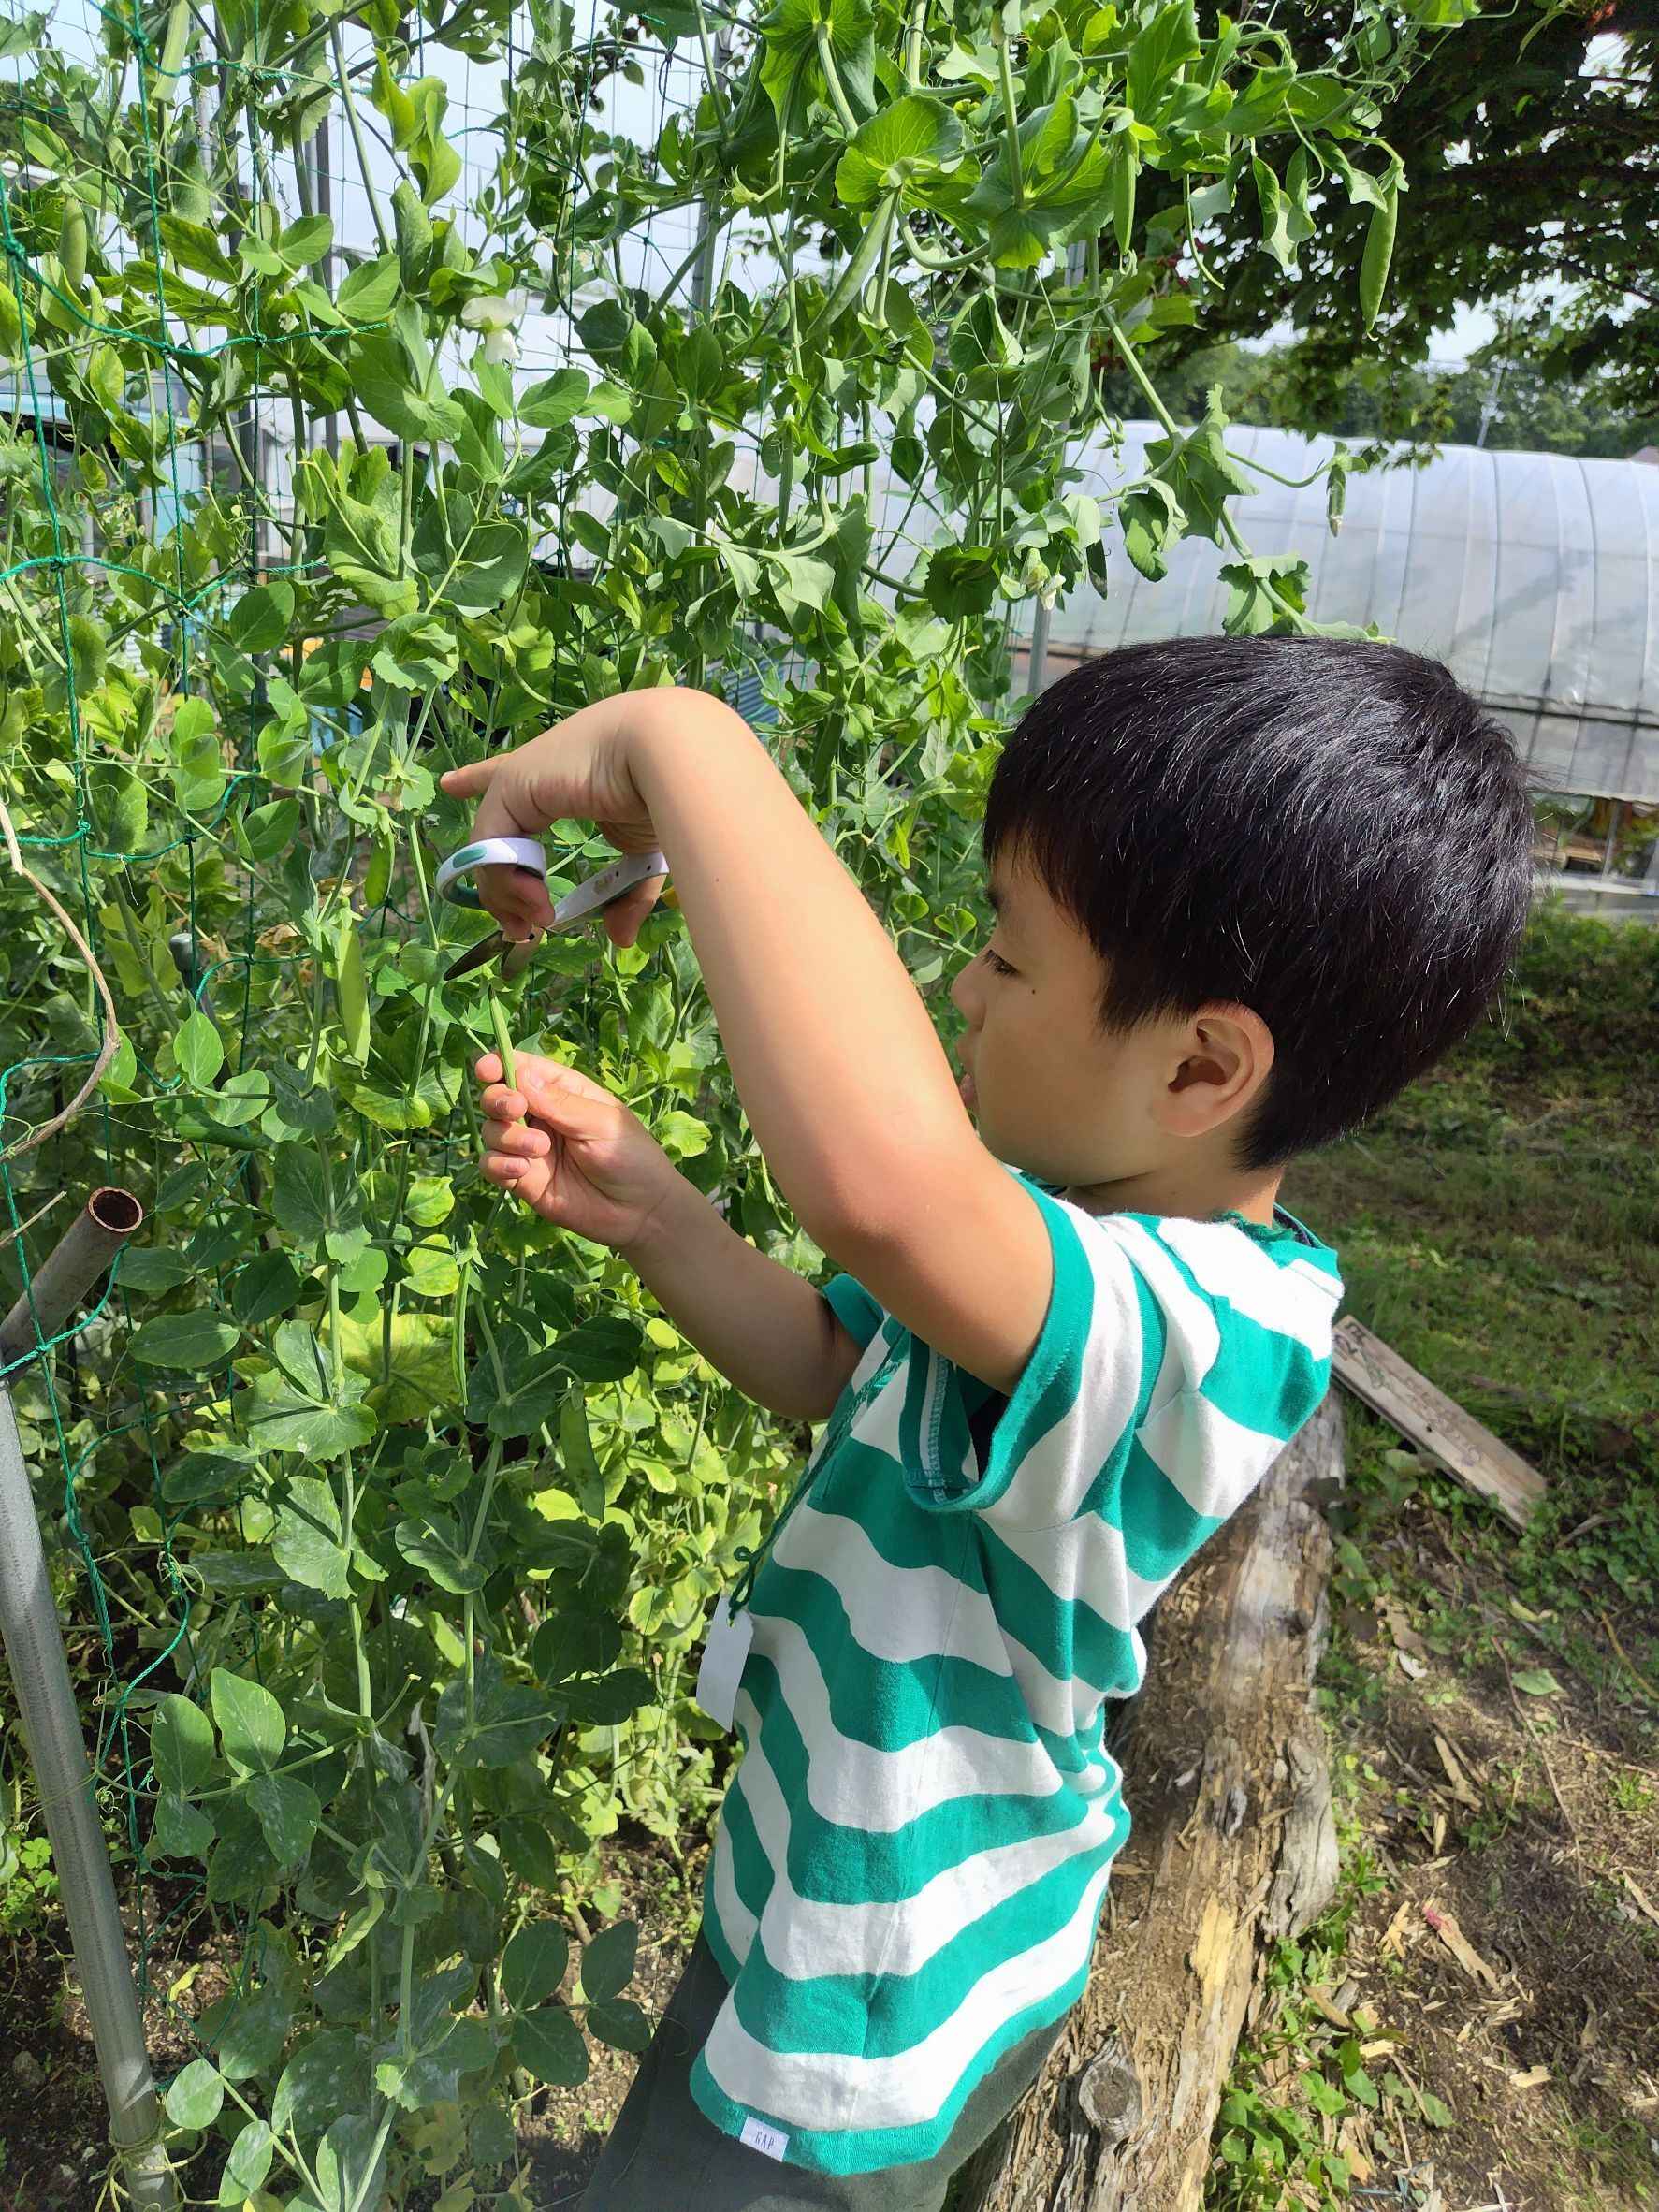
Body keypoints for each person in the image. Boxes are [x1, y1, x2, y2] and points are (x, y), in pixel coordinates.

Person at [439, 634, 1535, 2210]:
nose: (963, 982)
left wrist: (683, 741)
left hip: (872, 2006)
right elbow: (840, 1362)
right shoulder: (1058, 1235)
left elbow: (879, 1185)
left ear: (1201, 1065)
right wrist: (665, 1227)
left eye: (1008, 960)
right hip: (841, 1910)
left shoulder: (1193, 1333)